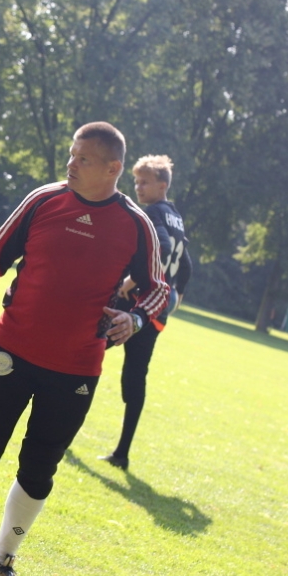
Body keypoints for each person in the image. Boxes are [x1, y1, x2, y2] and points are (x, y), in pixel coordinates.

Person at [0, 122, 169, 576]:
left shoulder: (137, 224)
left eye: (83, 159)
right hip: (10, 350)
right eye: (71, 155)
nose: (71, 164)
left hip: (76, 368)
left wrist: (133, 320)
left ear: (113, 169)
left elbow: (158, 290)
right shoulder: (43, 200)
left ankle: (2, 562)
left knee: (39, 468)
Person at [98, 154, 192, 471]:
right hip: (158, 311)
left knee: (89, 347)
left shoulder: (153, 212)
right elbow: (187, 264)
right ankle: (122, 452)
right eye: (136, 180)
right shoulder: (175, 215)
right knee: (135, 377)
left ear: (162, 185)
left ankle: (58, 422)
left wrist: (132, 280)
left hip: (138, 301)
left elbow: (161, 248)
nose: (138, 187)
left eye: (145, 182)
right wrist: (177, 294)